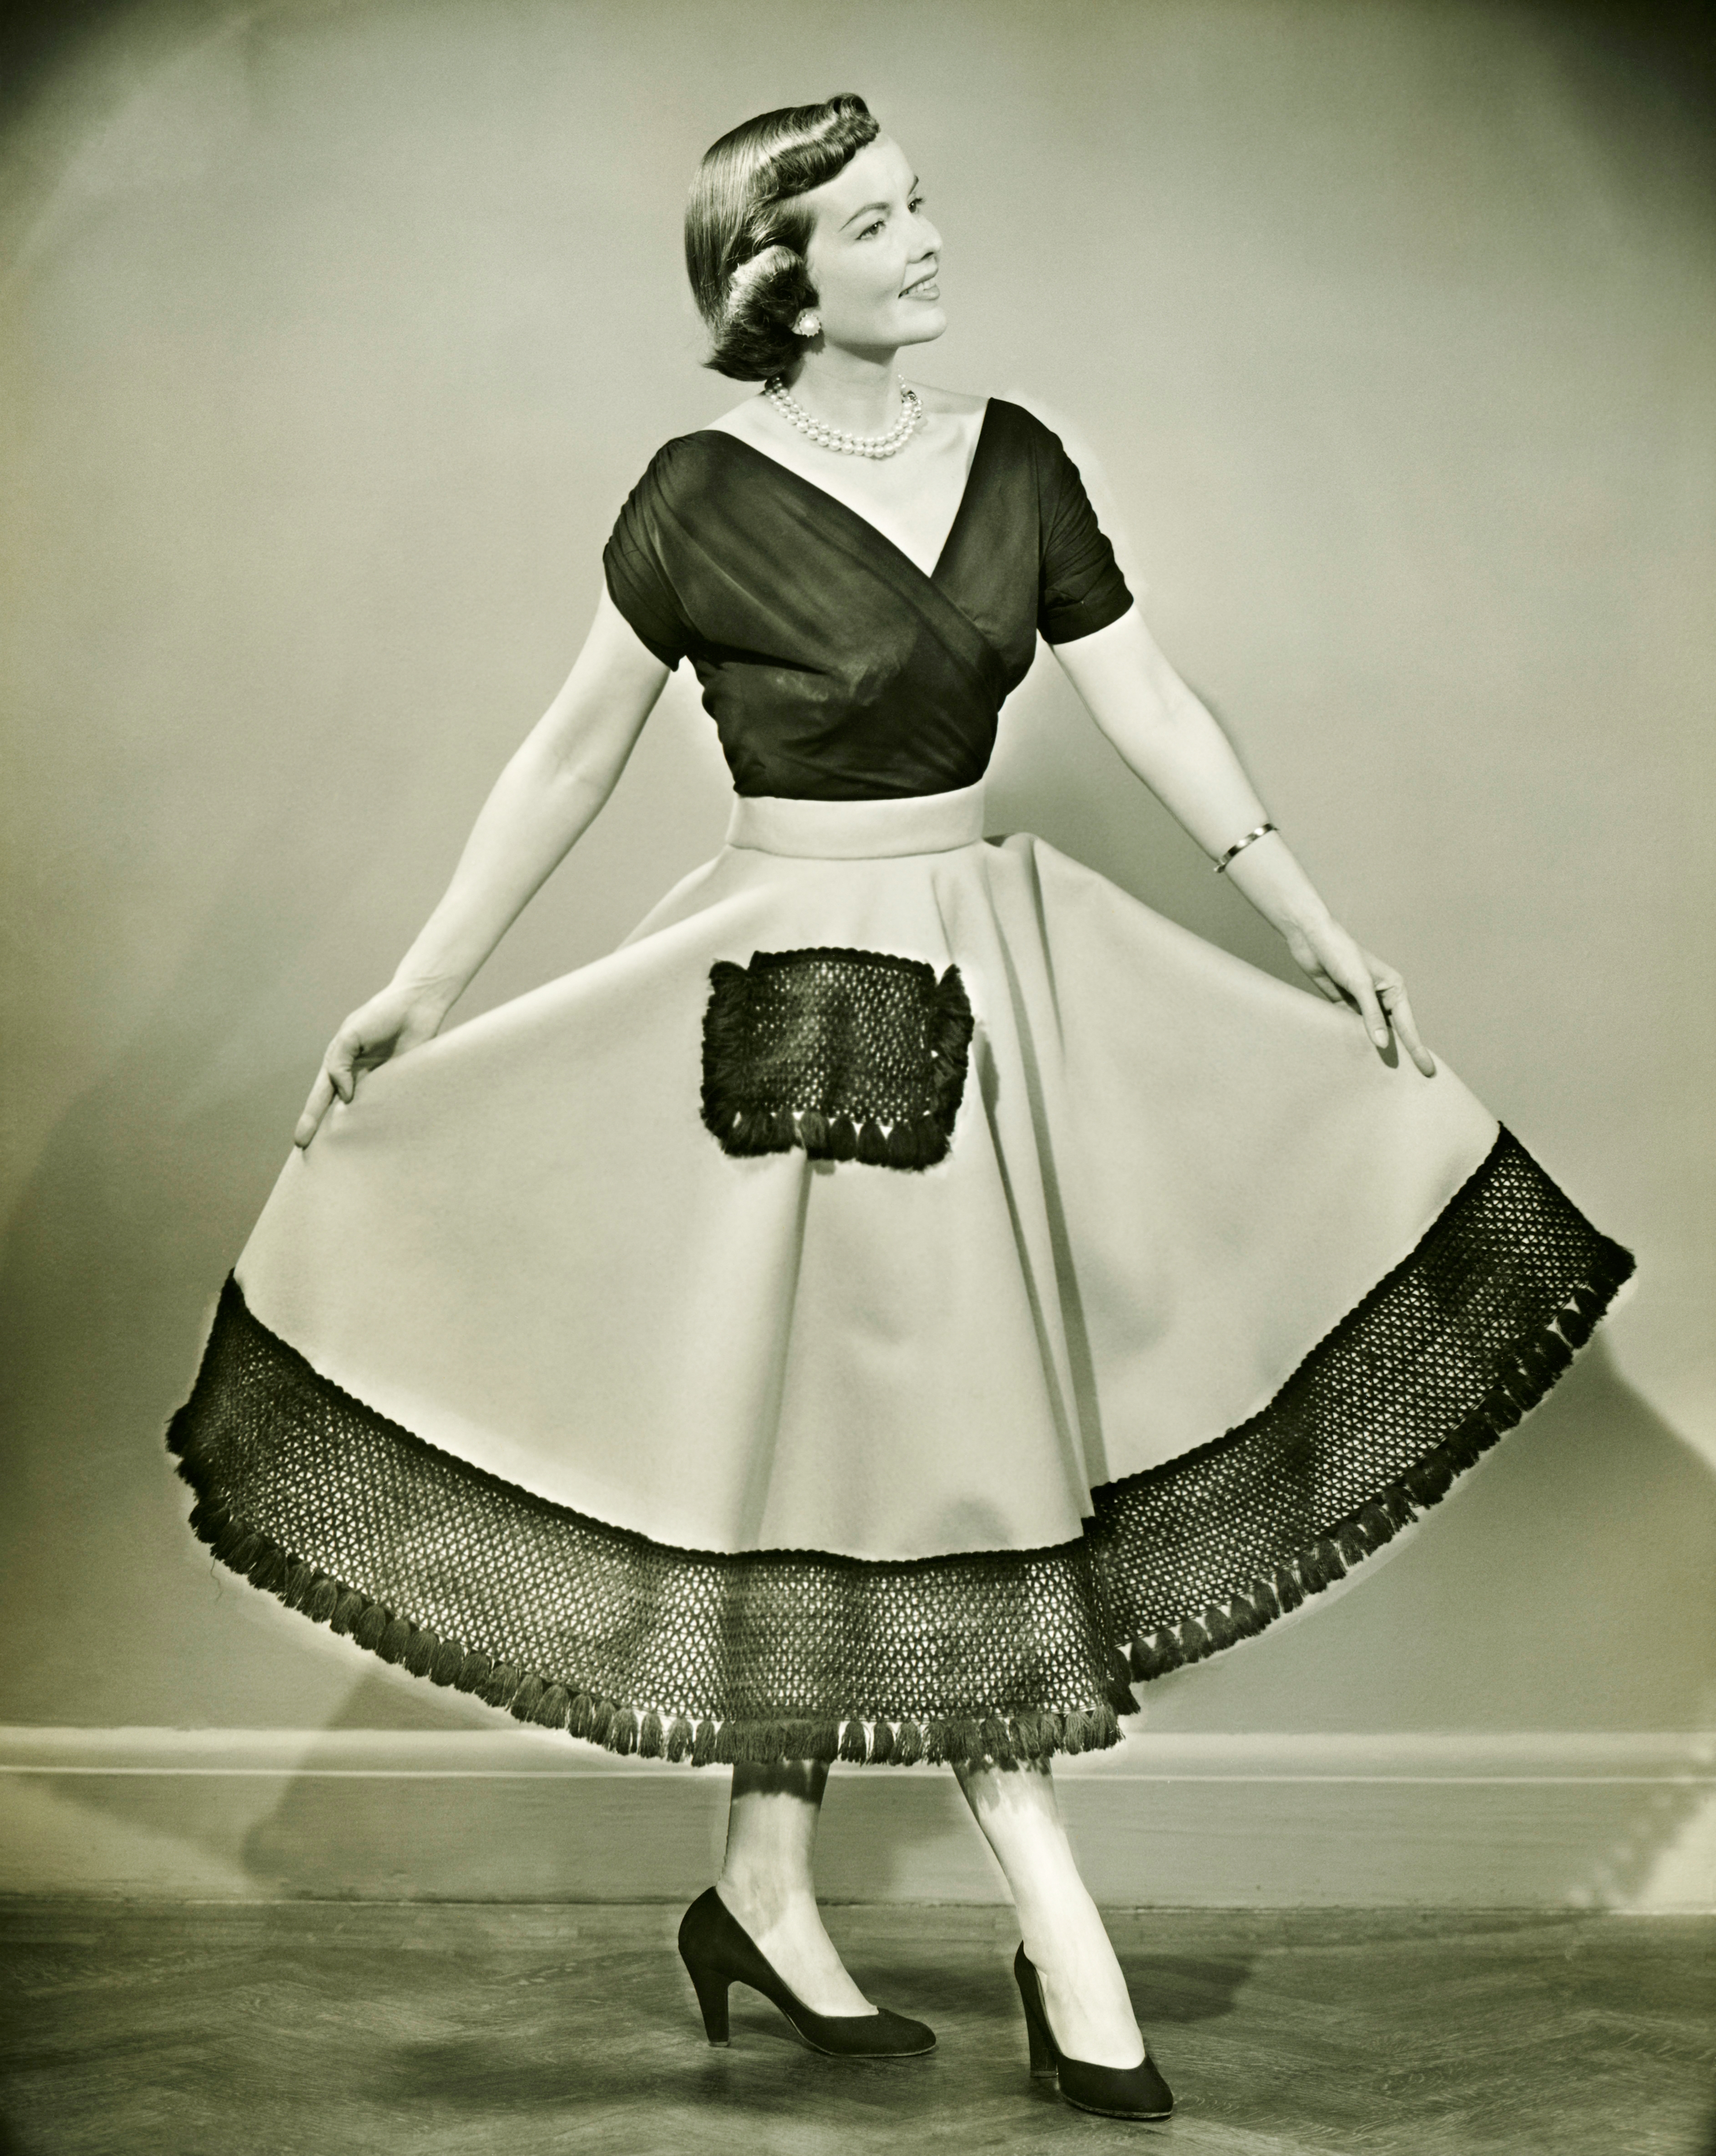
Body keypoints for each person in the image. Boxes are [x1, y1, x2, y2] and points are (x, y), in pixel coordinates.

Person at [168, 95, 1633, 2123]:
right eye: (879, 221)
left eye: (921, 202)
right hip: (780, 1006)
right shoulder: (694, 491)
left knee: (865, 1458)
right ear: (782, 282)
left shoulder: (1016, 458)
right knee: (909, 1466)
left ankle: (762, 1885)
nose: (928, 240)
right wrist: (426, 982)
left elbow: (1147, 698)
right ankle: (1065, 1941)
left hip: (997, 981)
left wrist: (1312, 924)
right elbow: (564, 758)